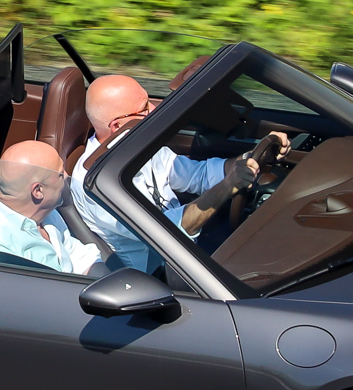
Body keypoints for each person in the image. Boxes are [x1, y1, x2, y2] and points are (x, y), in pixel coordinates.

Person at [71, 75, 285, 269]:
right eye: (144, 108)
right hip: (163, 273)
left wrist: (253, 156)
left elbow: (198, 175)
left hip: (187, 251)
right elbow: (165, 232)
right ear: (117, 126)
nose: (154, 109)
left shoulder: (138, 145)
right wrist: (228, 186)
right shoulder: (94, 182)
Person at [0, 140, 103, 276]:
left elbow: (78, 256)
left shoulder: (44, 212)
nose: (66, 176)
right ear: (38, 191)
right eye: (60, 174)